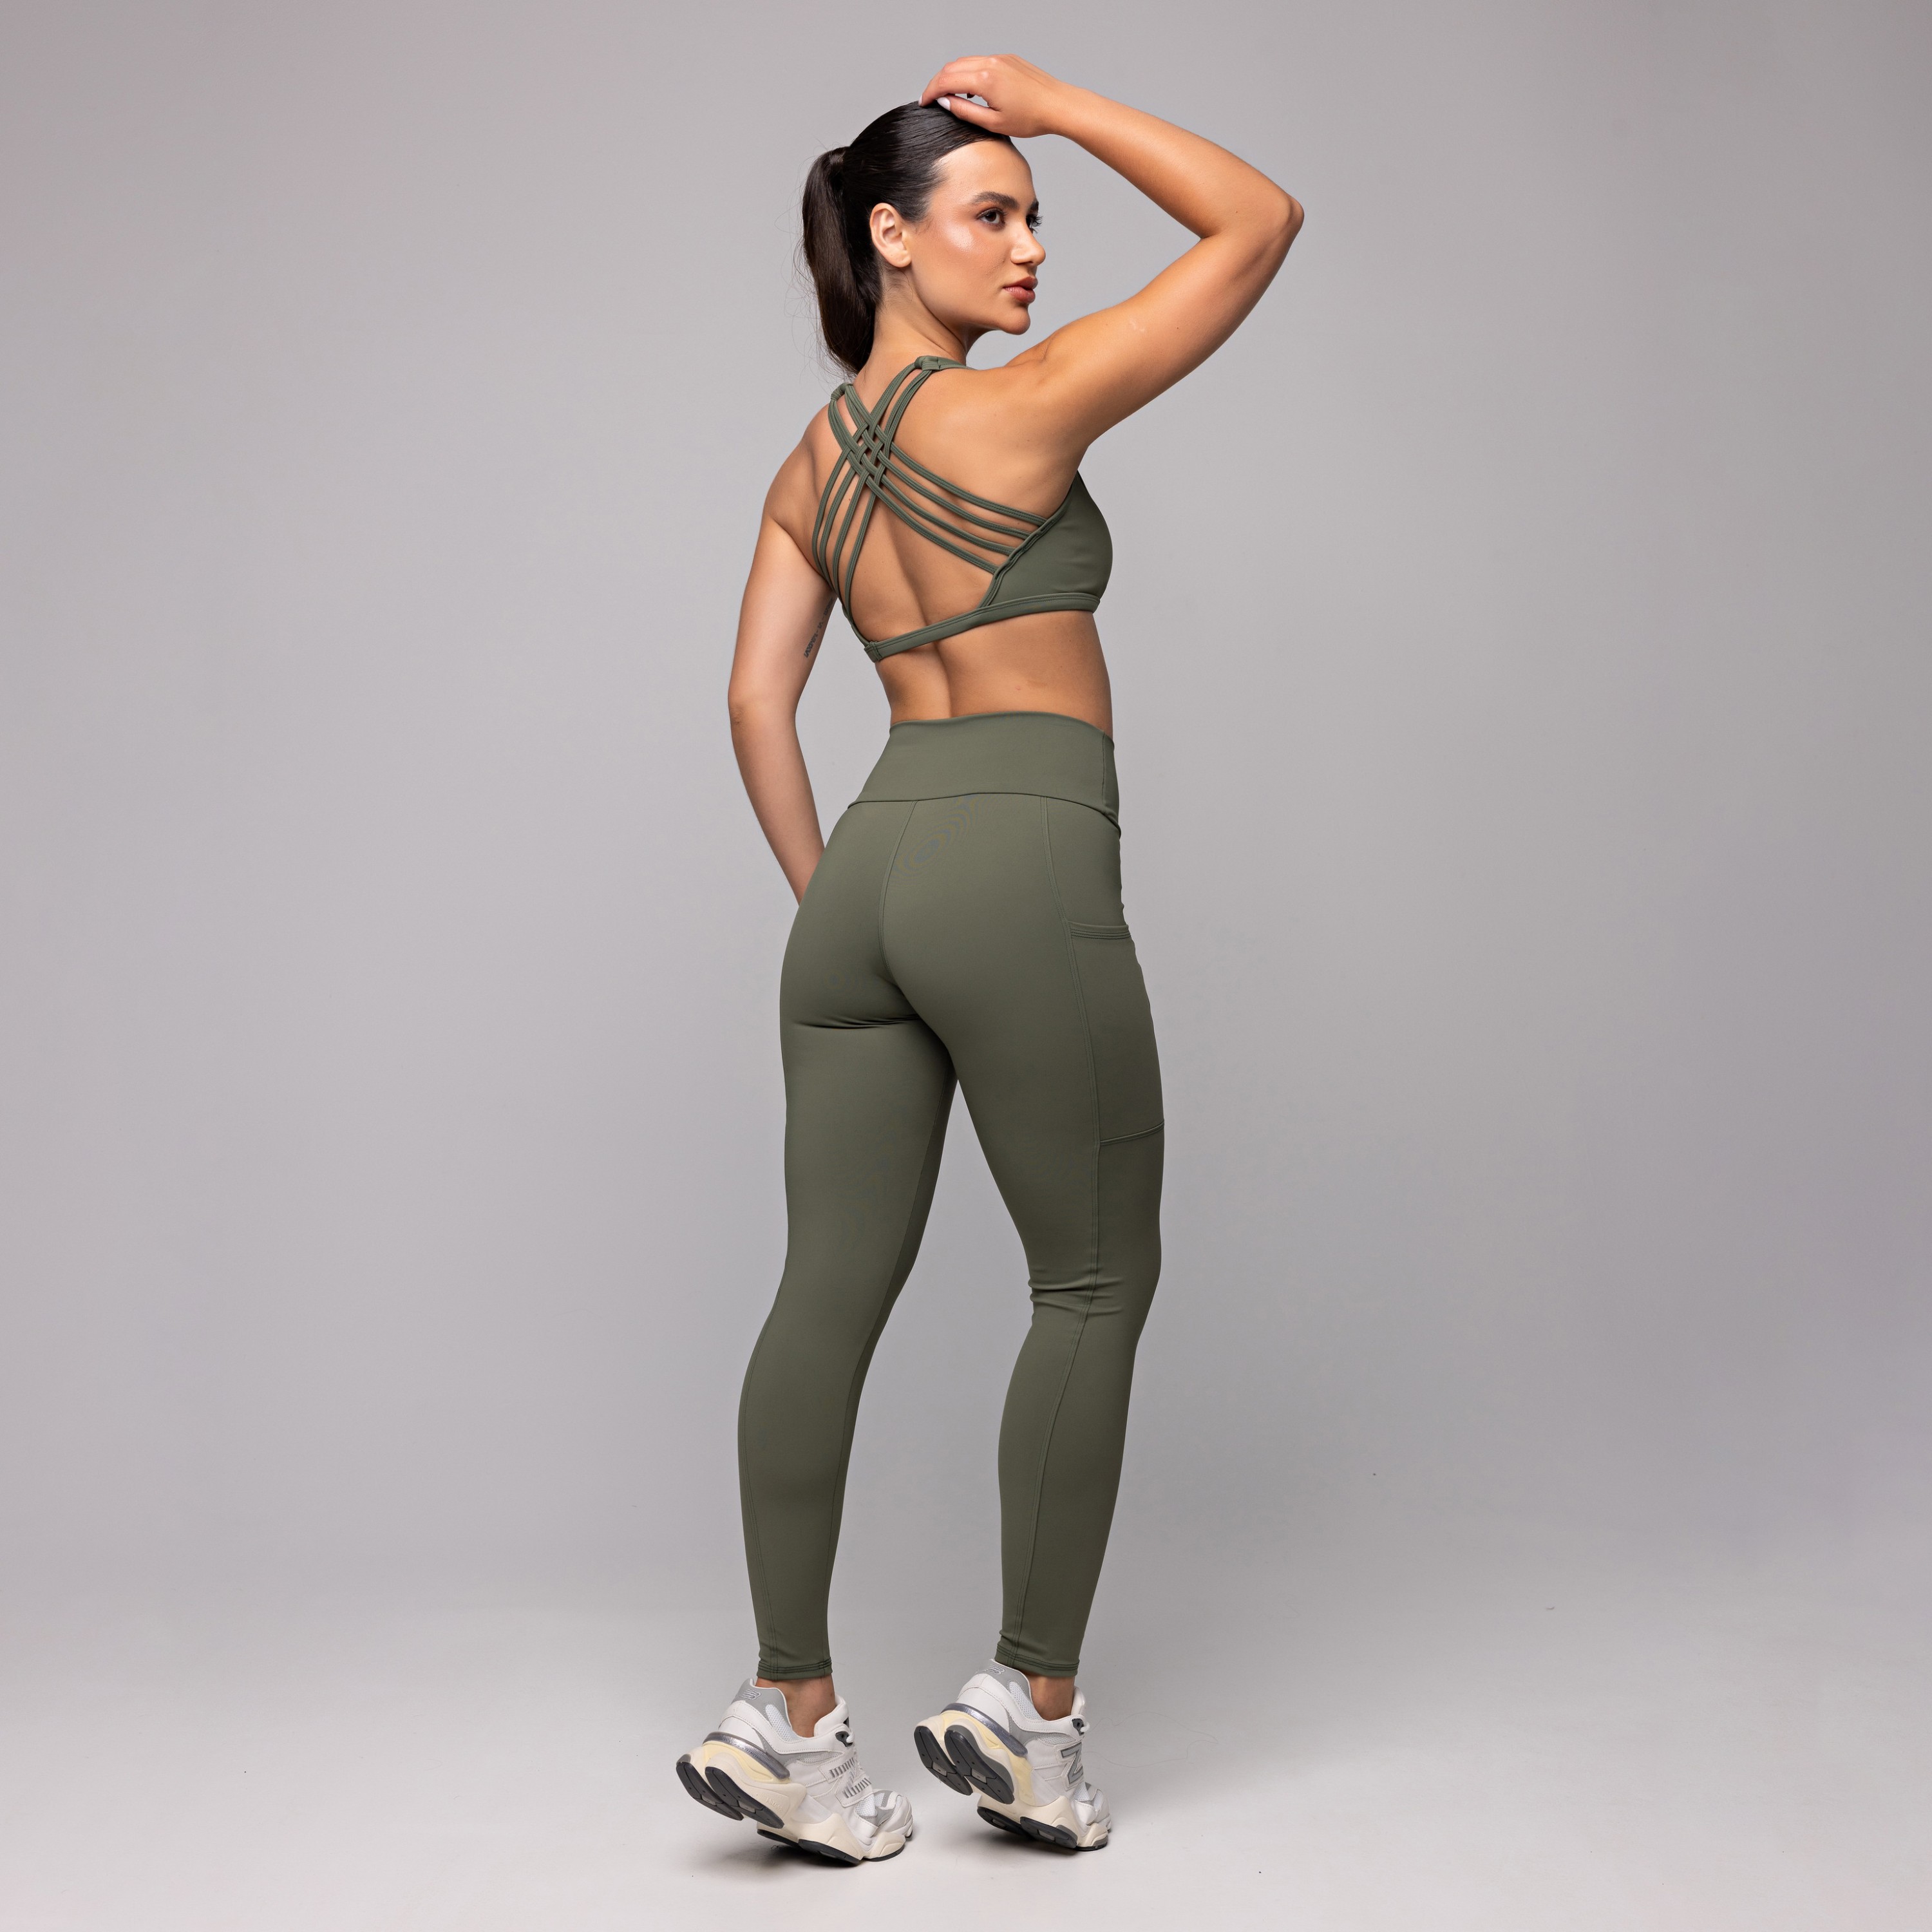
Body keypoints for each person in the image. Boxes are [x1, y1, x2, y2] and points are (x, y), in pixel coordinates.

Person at [676, 55, 1301, 1863]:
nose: (1030, 247)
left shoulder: (807, 468)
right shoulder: (1018, 411)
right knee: (1093, 1278)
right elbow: (1258, 222)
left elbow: (755, 702)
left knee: (821, 1295)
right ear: (893, 235)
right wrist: (1063, 99)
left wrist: (842, 904)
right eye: (995, 211)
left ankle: (789, 1717)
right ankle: (1030, 1710)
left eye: (1036, 217)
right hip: (1018, 853)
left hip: (867, 872)